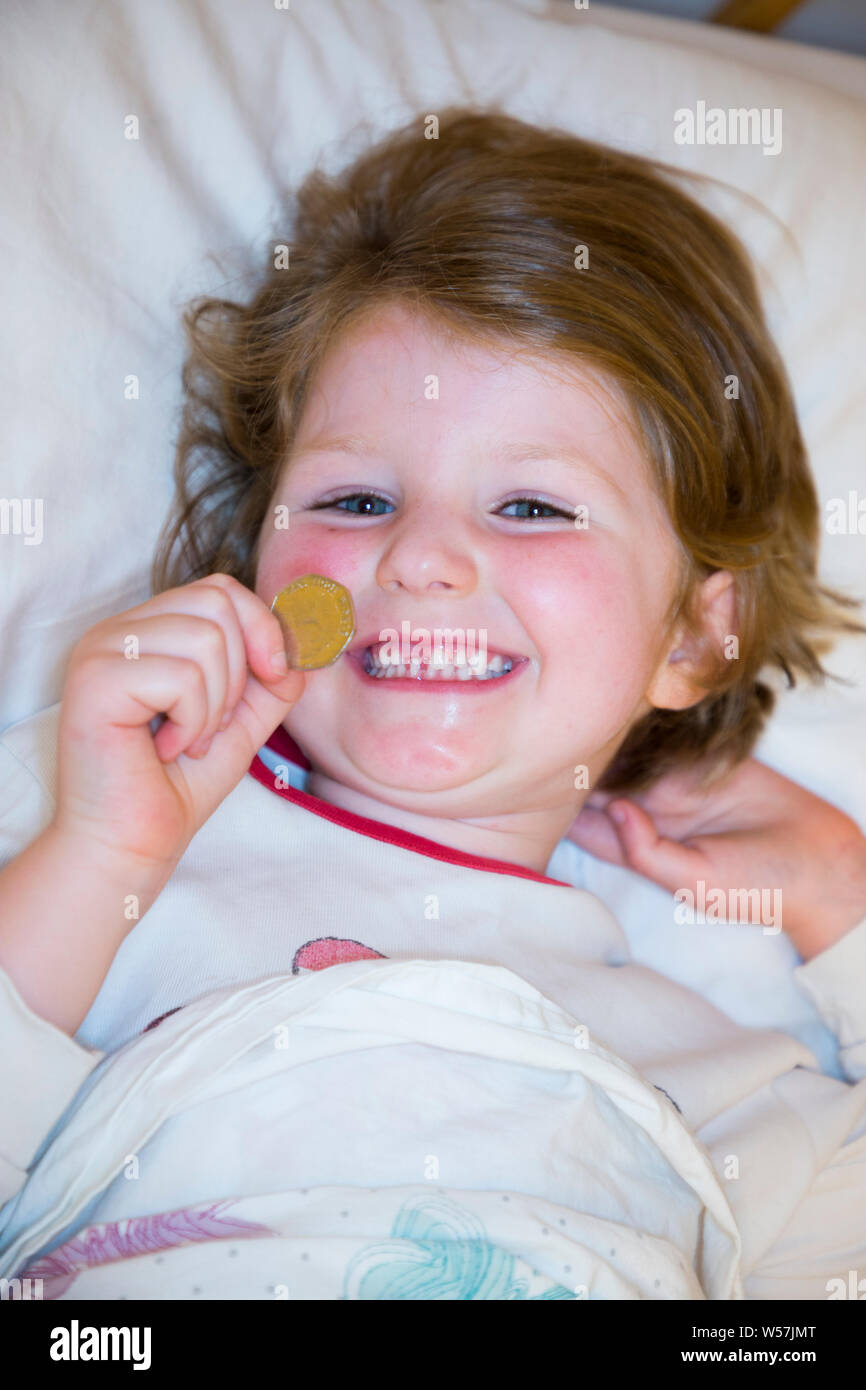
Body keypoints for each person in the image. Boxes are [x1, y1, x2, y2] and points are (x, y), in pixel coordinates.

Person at [1, 108, 865, 1301]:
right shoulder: (88, 833)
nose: (419, 559)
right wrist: (95, 859)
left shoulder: (724, 1059)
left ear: (693, 631)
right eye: (355, 499)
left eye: (529, 508)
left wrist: (843, 903)